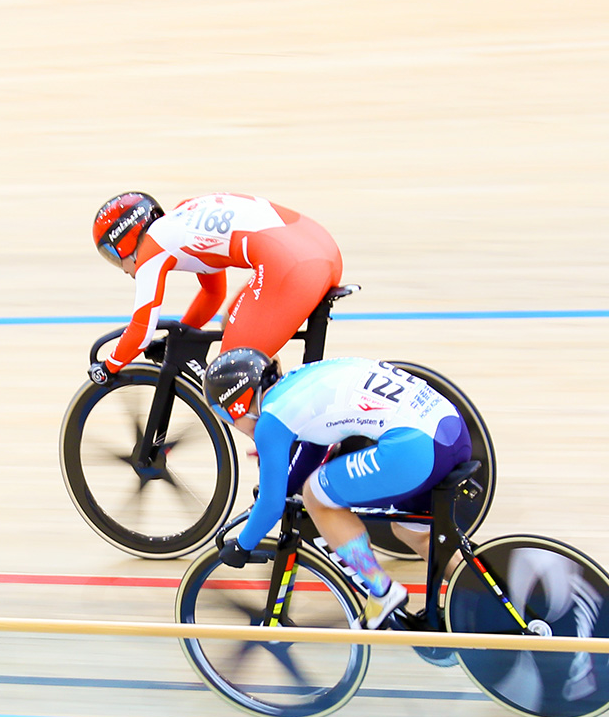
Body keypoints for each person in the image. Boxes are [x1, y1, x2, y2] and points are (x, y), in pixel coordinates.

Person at [203, 349, 471, 631]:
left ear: (236, 405)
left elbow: (270, 504)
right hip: (450, 431)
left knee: (316, 494)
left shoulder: (270, 420)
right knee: (412, 532)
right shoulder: (297, 381)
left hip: (415, 449)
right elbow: (316, 444)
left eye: (226, 418)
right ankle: (483, 596)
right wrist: (286, 488)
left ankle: (381, 591)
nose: (233, 426)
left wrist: (243, 546)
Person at [87, 192, 343, 386]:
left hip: (294, 265)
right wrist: (179, 338)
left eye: (112, 255)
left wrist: (108, 367)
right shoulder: (182, 217)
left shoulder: (152, 247)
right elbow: (213, 294)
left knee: (227, 378)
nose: (121, 268)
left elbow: (141, 330)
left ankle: (290, 438)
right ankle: (294, 426)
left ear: (124, 240)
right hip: (320, 247)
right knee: (232, 321)